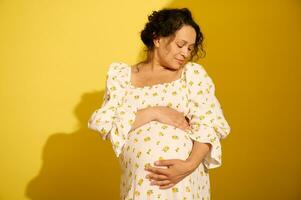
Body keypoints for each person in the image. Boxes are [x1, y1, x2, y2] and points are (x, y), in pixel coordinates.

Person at [88, 7, 231, 200]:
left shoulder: (192, 75)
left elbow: (209, 125)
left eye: (190, 47)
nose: (185, 53)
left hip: (184, 181)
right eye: (180, 44)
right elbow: (107, 124)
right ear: (157, 39)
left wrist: (188, 166)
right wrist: (154, 112)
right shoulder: (121, 76)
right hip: (140, 183)